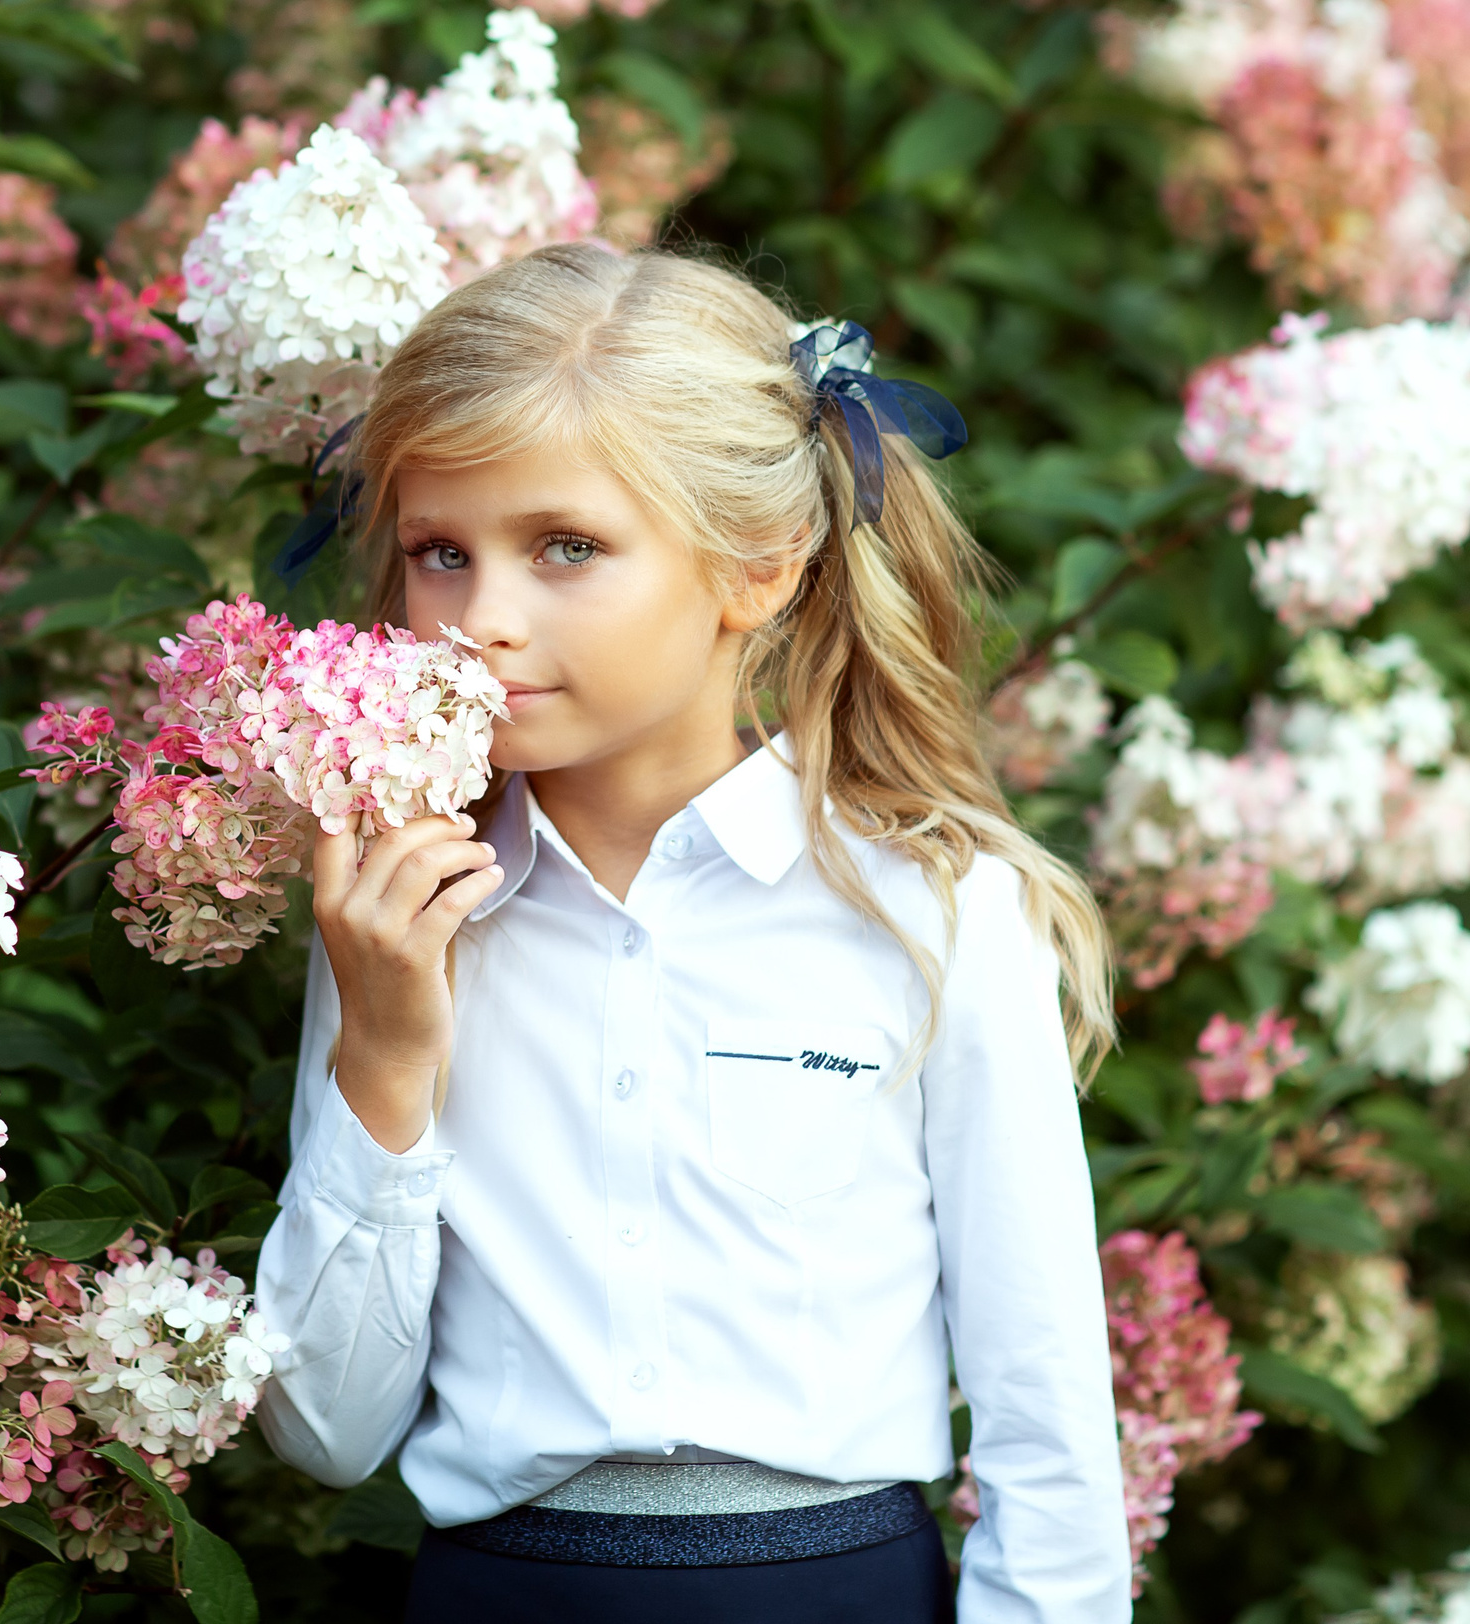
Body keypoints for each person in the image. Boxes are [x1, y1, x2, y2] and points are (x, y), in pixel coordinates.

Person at [253, 242, 1129, 1623]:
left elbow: (1048, 1418)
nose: (482, 621)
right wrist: (387, 1052)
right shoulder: (400, 914)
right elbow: (326, 1431)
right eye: (441, 553)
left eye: (567, 548)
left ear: (759, 568)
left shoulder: (934, 911)